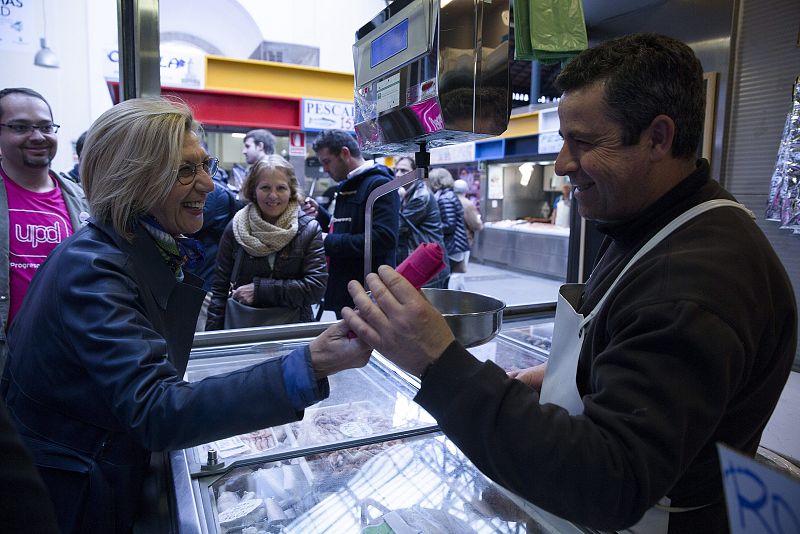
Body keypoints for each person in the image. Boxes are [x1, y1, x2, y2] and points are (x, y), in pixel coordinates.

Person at [341, 33, 796, 533]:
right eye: (563, 140)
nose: (561, 164)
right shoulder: (657, 222)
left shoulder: (696, 282)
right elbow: (641, 358)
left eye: (584, 142)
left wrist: (439, 360)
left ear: (658, 138)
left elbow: (610, 481)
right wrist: (568, 375)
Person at [1, 97, 371, 533]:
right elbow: (155, 408)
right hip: (73, 498)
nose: (208, 185)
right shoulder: (92, 269)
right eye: (185, 171)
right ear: (134, 179)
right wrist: (307, 365)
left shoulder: (132, 248)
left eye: (204, 165)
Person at [0, 87, 89, 373]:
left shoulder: (82, 201)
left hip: (67, 360)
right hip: (8, 362)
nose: (37, 136)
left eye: (45, 127)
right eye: (20, 127)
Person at [206, 154, 327, 330]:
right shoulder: (236, 227)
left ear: (291, 191)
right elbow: (219, 290)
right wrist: (213, 338)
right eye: (265, 188)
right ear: (253, 190)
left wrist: (260, 291)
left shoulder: (308, 229)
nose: (273, 195)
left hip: (294, 330)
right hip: (244, 330)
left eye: (281, 188)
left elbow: (316, 288)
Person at [309, 129, 399, 317]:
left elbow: (383, 239)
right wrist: (322, 215)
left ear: (344, 153)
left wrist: (326, 241)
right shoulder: (349, 183)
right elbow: (347, 226)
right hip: (346, 289)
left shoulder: (379, 185)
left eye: (327, 161)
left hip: (368, 293)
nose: (325, 169)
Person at [186, 173, 242, 331]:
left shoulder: (212, 195)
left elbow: (187, 228)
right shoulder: (216, 191)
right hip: (201, 282)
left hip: (203, 284)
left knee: (198, 337)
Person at [394, 156, 449, 288]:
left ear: (415, 173)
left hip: (429, 261)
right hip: (425, 258)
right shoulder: (410, 193)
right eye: (396, 170)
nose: (398, 174)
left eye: (403, 170)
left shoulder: (420, 196)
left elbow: (398, 226)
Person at [428, 167, 470, 290]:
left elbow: (449, 225)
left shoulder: (445, 198)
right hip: (455, 244)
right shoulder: (448, 194)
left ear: (436, 181)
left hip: (452, 245)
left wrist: (432, 227)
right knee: (454, 277)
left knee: (450, 278)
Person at [453, 177, 483, 279]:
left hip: (450, 240)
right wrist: (479, 223)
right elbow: (475, 224)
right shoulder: (467, 204)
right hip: (463, 240)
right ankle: (455, 288)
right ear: (465, 190)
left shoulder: (447, 199)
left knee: (453, 270)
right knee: (459, 271)